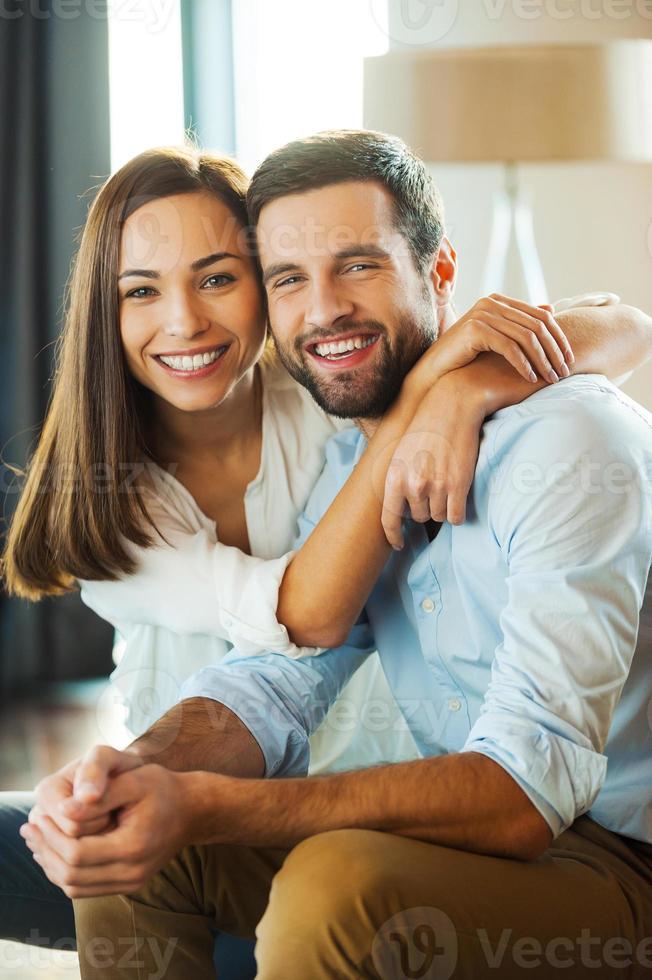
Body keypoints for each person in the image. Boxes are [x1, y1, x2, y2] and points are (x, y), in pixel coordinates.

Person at [11, 131, 652, 979]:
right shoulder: (349, 457)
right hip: (486, 842)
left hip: (619, 856)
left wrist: (217, 804)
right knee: (134, 840)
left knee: (332, 881)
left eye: (358, 265)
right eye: (289, 279)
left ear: (441, 271)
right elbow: (283, 666)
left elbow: (526, 793)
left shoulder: (563, 443)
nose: (323, 310)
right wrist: (129, 776)